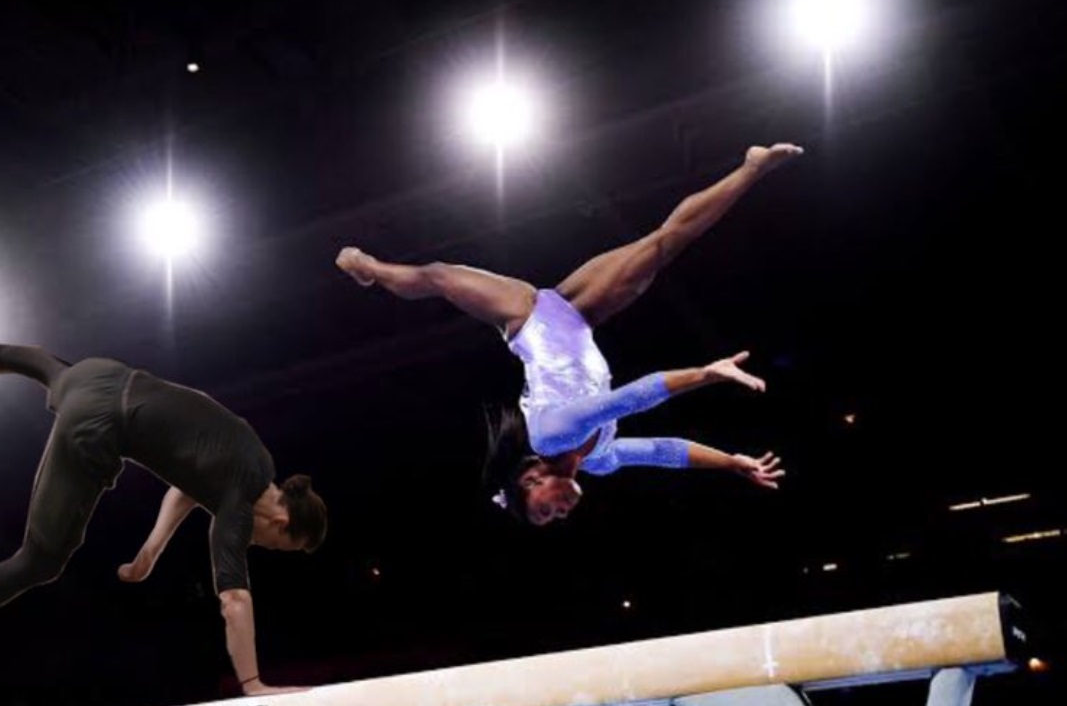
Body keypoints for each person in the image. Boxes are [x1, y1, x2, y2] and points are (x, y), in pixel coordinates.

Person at [336, 143, 801, 526]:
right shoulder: (599, 459)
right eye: (556, 517)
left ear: (531, 481)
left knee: (438, 274)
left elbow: (628, 399)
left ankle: (371, 269)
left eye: (545, 510)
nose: (560, 513)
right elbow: (666, 452)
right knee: (661, 244)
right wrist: (732, 462)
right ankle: (751, 167)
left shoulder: (549, 437)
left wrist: (707, 374)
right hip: (577, 316)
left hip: (524, 316)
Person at [0, 333, 327, 706]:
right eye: (273, 545)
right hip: (99, 425)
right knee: (40, 560)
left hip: (100, 375)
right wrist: (252, 685)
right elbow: (234, 601)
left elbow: (187, 486)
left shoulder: (254, 457)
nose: (258, 543)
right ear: (283, 518)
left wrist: (150, 553)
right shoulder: (239, 503)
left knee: (58, 373)